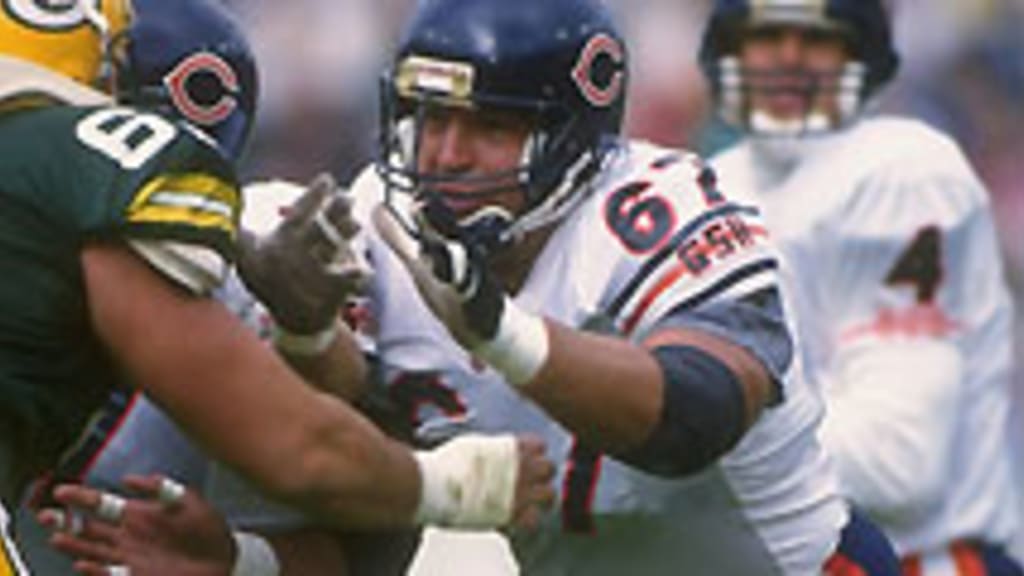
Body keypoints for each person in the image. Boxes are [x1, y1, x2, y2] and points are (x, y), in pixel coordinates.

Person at [46, 0, 908, 574]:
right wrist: (310, 337)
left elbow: (693, 417)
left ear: (576, 135)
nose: (447, 156)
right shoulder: (378, 212)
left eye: (490, 127)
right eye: (431, 121)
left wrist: (502, 332)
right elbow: (380, 505)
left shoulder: (658, 211)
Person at [0, 0, 557, 573]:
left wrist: (309, 332)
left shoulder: (259, 241)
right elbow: (302, 451)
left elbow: (362, 542)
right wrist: (459, 485)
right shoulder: (94, 175)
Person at [698, 0, 1022, 573]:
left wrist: (689, 437)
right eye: (767, 37)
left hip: (933, 557)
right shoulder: (712, 181)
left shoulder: (901, 169)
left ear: (861, 56)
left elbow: (898, 464)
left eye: (818, 41)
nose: (788, 61)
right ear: (729, 51)